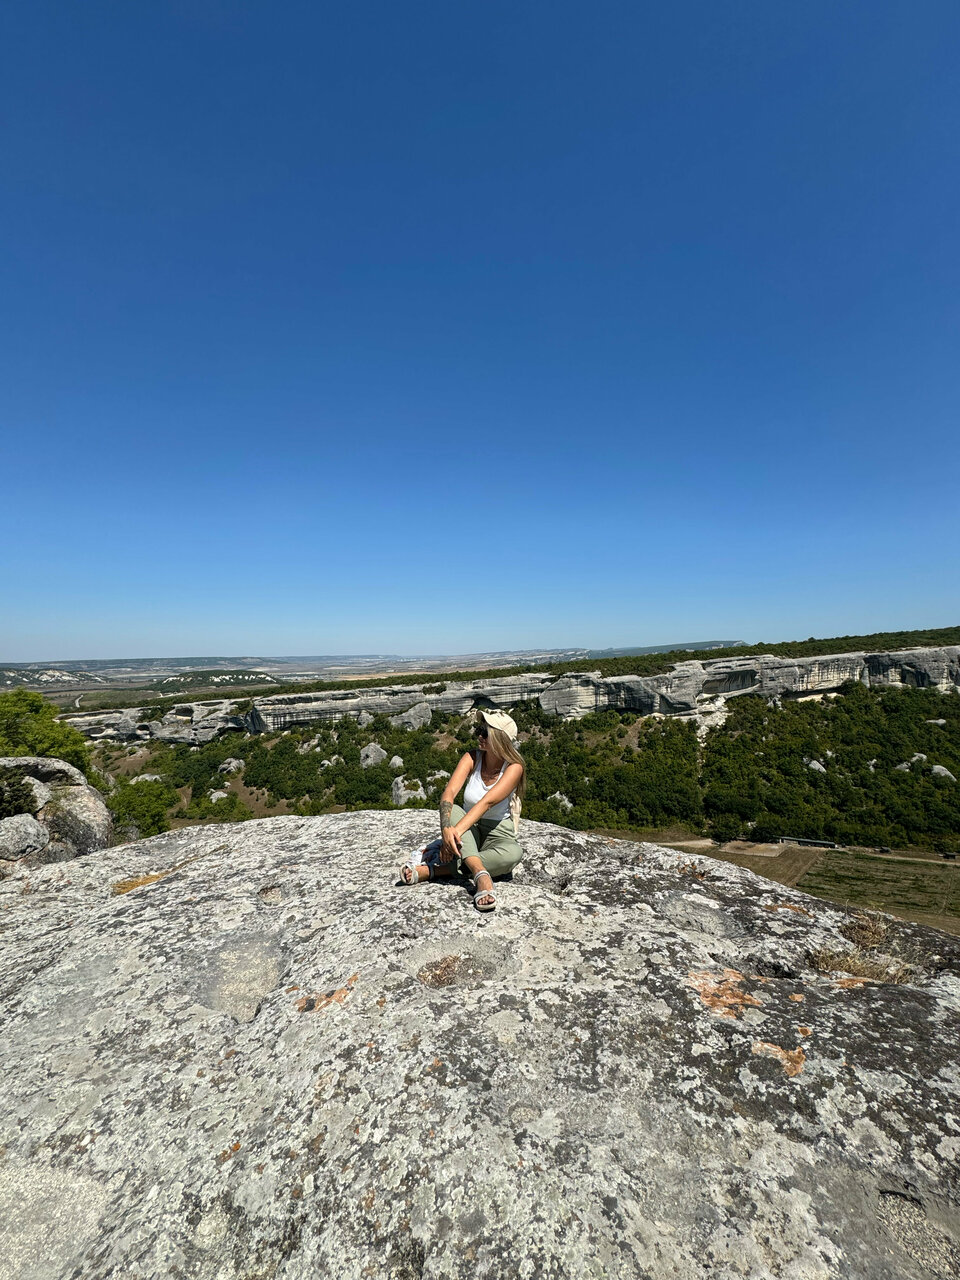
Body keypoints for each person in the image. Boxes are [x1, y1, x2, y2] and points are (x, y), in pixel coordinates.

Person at [399, 708, 525, 911]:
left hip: (497, 832)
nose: (479, 735)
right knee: (455, 810)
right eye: (479, 730)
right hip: (468, 828)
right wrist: (446, 830)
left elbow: (487, 803)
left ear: (500, 739)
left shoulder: (514, 767)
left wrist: (451, 837)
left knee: (513, 854)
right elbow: (448, 793)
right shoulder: (472, 757)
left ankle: (433, 870)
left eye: (486, 733)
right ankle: (481, 877)